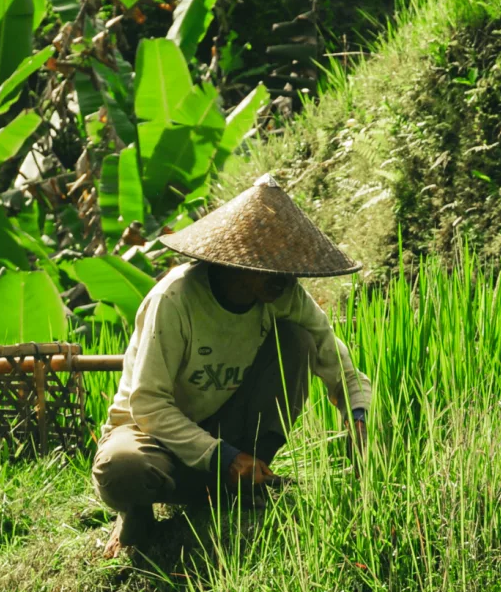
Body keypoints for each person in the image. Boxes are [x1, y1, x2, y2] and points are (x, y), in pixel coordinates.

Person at [93, 174, 371, 558]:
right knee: (123, 469)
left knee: (298, 341)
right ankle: (137, 513)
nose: (286, 278)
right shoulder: (176, 300)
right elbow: (148, 405)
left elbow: (336, 361)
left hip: (223, 430)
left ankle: (245, 479)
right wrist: (223, 456)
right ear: (237, 263)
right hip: (151, 435)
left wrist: (357, 413)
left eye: (289, 268)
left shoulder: (284, 296)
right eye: (272, 267)